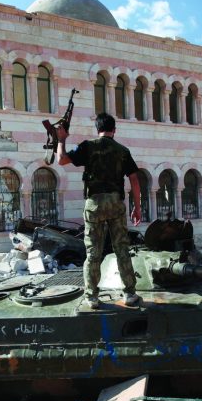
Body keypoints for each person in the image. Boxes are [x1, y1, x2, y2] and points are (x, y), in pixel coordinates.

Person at [56, 113, 143, 309]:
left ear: (97, 129)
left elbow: (61, 160)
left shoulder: (88, 146)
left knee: (93, 252)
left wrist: (61, 139)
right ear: (114, 129)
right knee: (121, 249)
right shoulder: (123, 151)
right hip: (115, 204)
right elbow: (135, 180)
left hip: (94, 204)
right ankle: (129, 294)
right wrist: (137, 208)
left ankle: (92, 297)